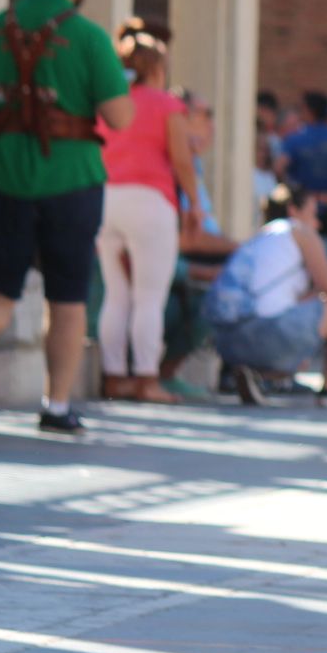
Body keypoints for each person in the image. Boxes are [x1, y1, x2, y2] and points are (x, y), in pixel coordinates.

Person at [0, 0, 133, 432]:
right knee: (66, 297)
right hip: (71, 179)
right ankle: (58, 405)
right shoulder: (88, 37)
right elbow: (120, 116)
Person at [96, 20, 201, 404]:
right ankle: (146, 379)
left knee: (117, 294)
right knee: (148, 296)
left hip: (106, 199)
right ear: (157, 67)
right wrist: (194, 204)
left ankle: (113, 377)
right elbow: (181, 160)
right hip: (150, 203)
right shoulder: (165, 104)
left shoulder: (109, 100)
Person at [207, 184, 327, 406]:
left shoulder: (263, 235)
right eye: (313, 214)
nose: (317, 222)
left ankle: (259, 376)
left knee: (307, 312)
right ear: (293, 210)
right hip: (268, 334)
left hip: (227, 339)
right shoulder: (299, 231)